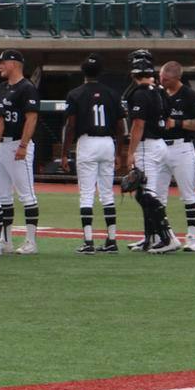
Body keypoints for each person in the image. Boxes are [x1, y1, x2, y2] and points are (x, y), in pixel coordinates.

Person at [60, 56, 122, 254]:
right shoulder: (112, 93)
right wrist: (119, 152)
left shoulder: (75, 93)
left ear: (83, 72)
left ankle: (88, 242)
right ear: (100, 72)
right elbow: (120, 126)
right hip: (107, 142)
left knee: (87, 194)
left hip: (87, 142)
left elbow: (71, 125)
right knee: (107, 193)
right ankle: (112, 240)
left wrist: (64, 153)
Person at [150, 60, 195, 252]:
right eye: (161, 77)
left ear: (176, 78)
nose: (162, 81)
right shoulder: (158, 93)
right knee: (157, 196)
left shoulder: (190, 95)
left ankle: (192, 238)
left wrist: (178, 123)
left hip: (181, 147)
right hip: (160, 147)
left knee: (188, 194)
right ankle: (163, 236)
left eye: (166, 79)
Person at [122, 58, 175, 253]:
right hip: (160, 144)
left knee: (146, 194)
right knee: (146, 193)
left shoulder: (139, 93)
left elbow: (138, 125)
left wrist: (130, 152)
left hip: (147, 145)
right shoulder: (160, 91)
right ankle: (150, 238)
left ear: (134, 74)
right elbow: (169, 120)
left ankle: (168, 238)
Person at [0, 50, 41, 253]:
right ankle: (6, 241)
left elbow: (32, 118)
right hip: (1, 146)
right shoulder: (2, 87)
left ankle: (31, 242)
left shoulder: (27, 87)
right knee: (3, 196)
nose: (0, 66)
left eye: (3, 62)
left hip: (17, 144)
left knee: (26, 195)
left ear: (13, 63)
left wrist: (23, 145)